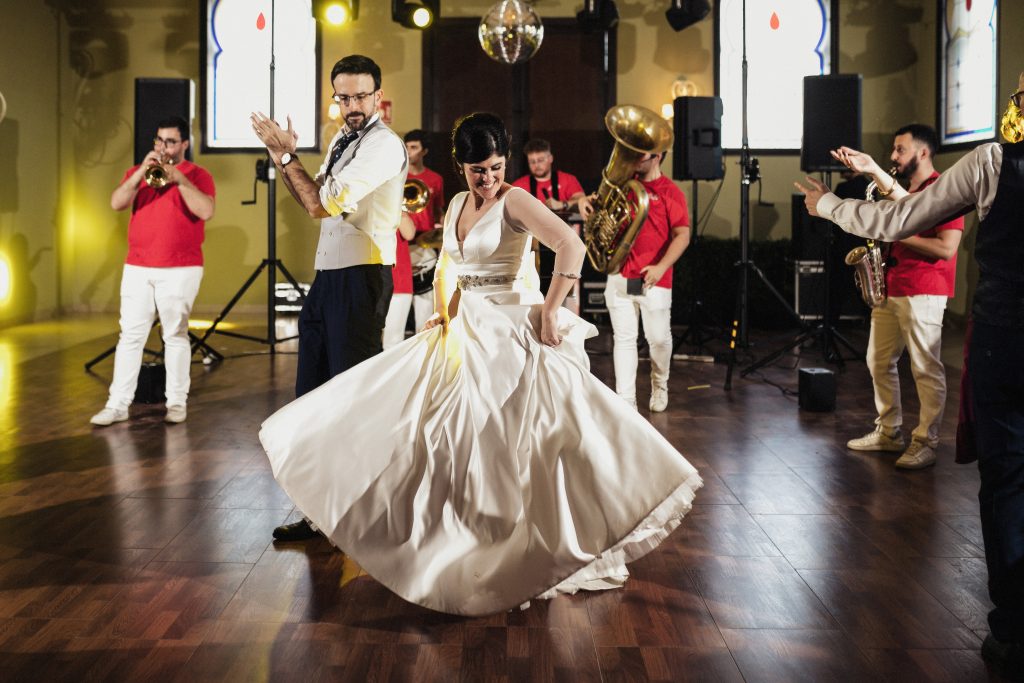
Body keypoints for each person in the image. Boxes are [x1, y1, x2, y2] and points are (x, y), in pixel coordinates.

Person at [258, 112, 702, 616]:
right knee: (430, 430)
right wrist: (442, 312)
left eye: (495, 168)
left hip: (508, 328)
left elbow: (571, 245)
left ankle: (517, 545)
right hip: (464, 326)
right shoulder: (455, 204)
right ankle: (452, 537)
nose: (487, 179)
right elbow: (451, 265)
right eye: (477, 171)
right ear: (461, 167)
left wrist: (551, 310)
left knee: (507, 440)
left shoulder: (516, 200)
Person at [795, 72, 1024, 680]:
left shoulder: (994, 161)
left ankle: (1012, 629)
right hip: (987, 329)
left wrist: (829, 206)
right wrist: (875, 172)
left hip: (1007, 337)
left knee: (1007, 478)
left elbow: (908, 220)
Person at [250, 54, 408, 540]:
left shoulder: (383, 145)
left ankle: (363, 516)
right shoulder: (342, 138)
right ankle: (320, 514)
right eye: (344, 97)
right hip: (328, 279)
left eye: (361, 96)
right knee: (314, 398)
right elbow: (311, 196)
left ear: (378, 96)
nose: (352, 105)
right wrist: (284, 157)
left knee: (351, 403)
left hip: (362, 278)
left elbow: (321, 203)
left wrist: (286, 158)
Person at [834, 124, 964, 470]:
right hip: (892, 286)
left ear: (923, 152)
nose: (893, 156)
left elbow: (946, 249)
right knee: (878, 361)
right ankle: (889, 431)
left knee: (925, 368)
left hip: (925, 289)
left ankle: (926, 441)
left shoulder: (943, 190)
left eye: (900, 149)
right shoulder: (905, 191)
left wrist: (895, 231)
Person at [90, 116, 215, 427]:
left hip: (181, 267)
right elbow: (116, 202)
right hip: (137, 266)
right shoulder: (140, 172)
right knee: (130, 336)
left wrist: (180, 180)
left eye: (170, 142)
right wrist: (138, 175)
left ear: (184, 144)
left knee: (175, 335)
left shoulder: (199, 175)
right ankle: (117, 405)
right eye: (160, 140)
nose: (164, 147)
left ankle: (176, 403)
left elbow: (206, 210)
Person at [579, 151, 691, 412]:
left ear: (658, 155)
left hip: (653, 278)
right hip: (620, 275)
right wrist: (585, 201)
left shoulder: (671, 192)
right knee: (624, 339)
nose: (635, 158)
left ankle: (659, 384)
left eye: (642, 154)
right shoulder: (622, 186)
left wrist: (662, 267)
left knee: (658, 339)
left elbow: (682, 235)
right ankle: (626, 401)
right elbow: (597, 209)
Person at [382, 129, 445, 347]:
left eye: (414, 147)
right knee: (395, 314)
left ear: (424, 151)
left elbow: (438, 211)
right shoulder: (398, 177)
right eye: (406, 147)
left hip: (424, 242)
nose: (409, 152)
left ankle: (423, 348)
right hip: (401, 244)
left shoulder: (435, 179)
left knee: (425, 308)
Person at [511, 138, 586, 212]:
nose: (536, 165)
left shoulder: (568, 179)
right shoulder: (519, 185)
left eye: (540, 160)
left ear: (550, 158)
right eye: (532, 162)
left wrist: (562, 204)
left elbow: (582, 201)